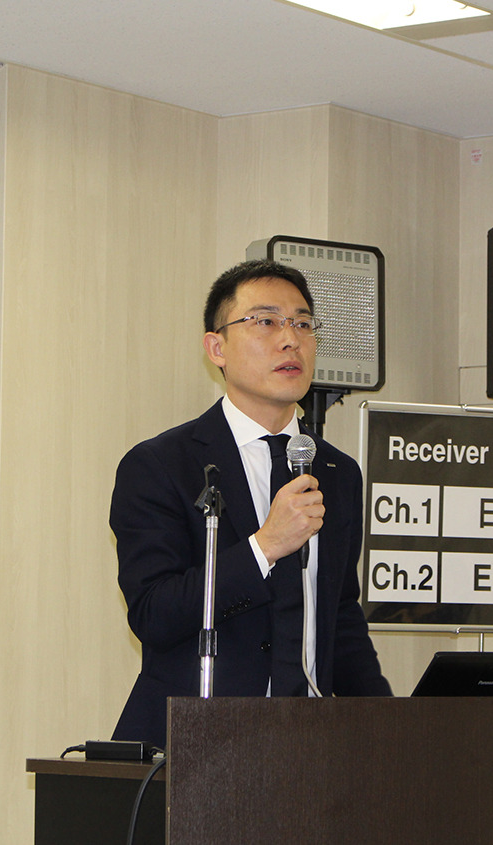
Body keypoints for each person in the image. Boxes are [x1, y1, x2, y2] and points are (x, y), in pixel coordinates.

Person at [109, 259, 392, 747]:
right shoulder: (162, 465)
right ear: (216, 348)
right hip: (197, 744)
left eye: (302, 324)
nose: (290, 340)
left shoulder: (337, 471)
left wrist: (390, 730)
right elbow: (155, 614)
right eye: (266, 321)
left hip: (309, 745)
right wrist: (265, 546)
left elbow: (340, 616)